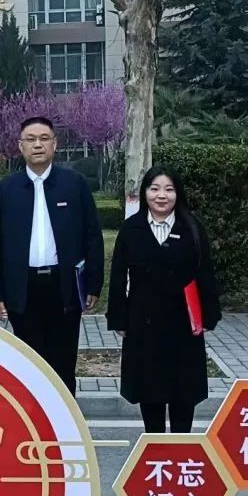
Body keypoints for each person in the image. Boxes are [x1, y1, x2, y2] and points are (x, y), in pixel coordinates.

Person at [0, 116, 104, 395]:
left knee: (63, 362)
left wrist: (93, 284)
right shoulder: (6, 190)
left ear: (54, 144)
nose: (37, 144)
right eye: (31, 139)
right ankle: (33, 418)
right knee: (29, 363)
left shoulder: (74, 184)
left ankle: (65, 420)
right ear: (20, 146)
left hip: (63, 286)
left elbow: (92, 237)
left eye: (44, 138)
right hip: (22, 288)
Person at [105, 166, 222, 433]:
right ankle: (155, 448)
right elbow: (118, 276)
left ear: (177, 194)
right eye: (154, 189)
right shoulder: (131, 229)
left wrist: (209, 315)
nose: (161, 196)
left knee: (184, 394)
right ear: (145, 192)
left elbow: (206, 274)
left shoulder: (192, 228)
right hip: (143, 324)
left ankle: (182, 449)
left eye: (169, 189)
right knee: (150, 393)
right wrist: (119, 318)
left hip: (183, 324)